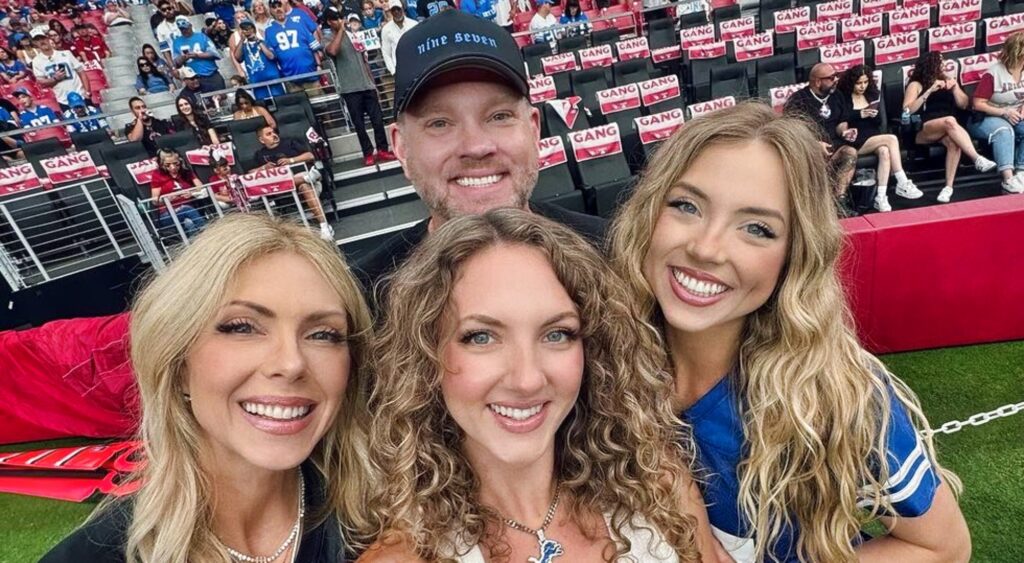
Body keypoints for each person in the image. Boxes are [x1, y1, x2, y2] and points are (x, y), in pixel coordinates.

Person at [610, 101, 971, 563]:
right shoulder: (597, 356)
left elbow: (944, 546)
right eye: (686, 205)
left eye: (757, 228)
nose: (705, 247)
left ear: (795, 257)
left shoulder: (836, 397)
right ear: (648, 212)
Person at [360, 209, 722, 562]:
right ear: (426, 356)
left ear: (592, 349)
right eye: (482, 337)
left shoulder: (657, 484)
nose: (527, 378)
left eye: (557, 334)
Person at [41, 213, 373, 563]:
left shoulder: (387, 518)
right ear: (179, 362)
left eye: (324, 334)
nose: (291, 364)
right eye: (242, 328)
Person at [355, 9, 605, 293]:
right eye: (439, 123)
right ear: (401, 147)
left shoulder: (614, 254)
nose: (476, 147)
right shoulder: (361, 303)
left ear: (534, 130)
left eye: (499, 116)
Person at [904, 52, 996, 203]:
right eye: (940, 62)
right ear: (931, 65)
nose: (943, 65)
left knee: (954, 143)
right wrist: (929, 91)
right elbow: (907, 110)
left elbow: (964, 104)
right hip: (923, 128)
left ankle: (948, 188)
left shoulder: (947, 80)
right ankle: (977, 158)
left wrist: (955, 88)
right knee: (950, 121)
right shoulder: (916, 84)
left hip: (948, 127)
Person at [835, 64, 922, 212]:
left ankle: (880, 197)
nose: (862, 86)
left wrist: (873, 115)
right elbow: (841, 119)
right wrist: (860, 114)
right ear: (852, 82)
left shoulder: (872, 94)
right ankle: (902, 180)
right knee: (892, 139)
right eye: (859, 83)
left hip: (873, 136)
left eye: (865, 82)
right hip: (856, 139)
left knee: (884, 151)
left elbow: (878, 123)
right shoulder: (843, 96)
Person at [324, 7, 397, 167]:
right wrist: (342, 30)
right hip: (349, 89)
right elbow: (333, 51)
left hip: (367, 85)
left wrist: (373, 84)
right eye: (335, 18)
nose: (339, 20)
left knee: (378, 120)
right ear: (329, 22)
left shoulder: (355, 34)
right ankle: (368, 153)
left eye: (340, 17)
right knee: (359, 125)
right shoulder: (327, 37)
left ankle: (383, 149)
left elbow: (364, 60)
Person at [783, 63, 860, 212]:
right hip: (808, 149)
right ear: (818, 81)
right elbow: (792, 132)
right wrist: (815, 143)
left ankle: (840, 200)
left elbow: (841, 123)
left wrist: (845, 132)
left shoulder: (836, 95)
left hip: (834, 146)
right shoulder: (798, 100)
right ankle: (820, 207)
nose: (836, 80)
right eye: (831, 78)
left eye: (836, 76)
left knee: (850, 153)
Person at [252, 124, 334, 240]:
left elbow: (310, 156)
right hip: (280, 189)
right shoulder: (260, 154)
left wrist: (291, 160)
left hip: (301, 180)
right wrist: (264, 168)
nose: (273, 135)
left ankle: (324, 226)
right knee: (303, 182)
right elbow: (250, 173)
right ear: (261, 139)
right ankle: (308, 177)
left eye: (273, 132)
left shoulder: (290, 143)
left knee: (305, 186)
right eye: (268, 134)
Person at [968, 31, 1024, 196]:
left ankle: (1021, 171)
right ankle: (1007, 179)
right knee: (1004, 131)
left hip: (1014, 113)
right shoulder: (993, 73)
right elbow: (977, 104)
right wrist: (1004, 112)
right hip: (986, 116)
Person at [265, 0, 323, 93]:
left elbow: (313, 46)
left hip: (310, 73)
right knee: (298, 107)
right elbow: (272, 56)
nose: (278, 9)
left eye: (279, 5)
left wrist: (319, 65)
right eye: (274, 7)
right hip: (291, 79)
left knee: (320, 105)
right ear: (270, 11)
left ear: (284, 6)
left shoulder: (298, 22)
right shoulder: (269, 30)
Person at [148, 148, 208, 235]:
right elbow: (154, 201)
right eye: (168, 165)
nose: (173, 167)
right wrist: (167, 199)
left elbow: (201, 187)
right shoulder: (157, 175)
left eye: (176, 164)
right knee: (186, 209)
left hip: (189, 208)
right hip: (167, 213)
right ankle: (207, 233)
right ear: (162, 164)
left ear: (180, 161)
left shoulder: (186, 171)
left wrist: (192, 193)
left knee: (189, 223)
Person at [30, 29, 91, 109]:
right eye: (38, 40)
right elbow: (41, 82)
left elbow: (81, 72)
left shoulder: (66, 54)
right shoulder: (36, 61)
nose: (41, 41)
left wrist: (87, 91)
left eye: (43, 38)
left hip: (80, 94)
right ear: (35, 43)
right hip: (63, 99)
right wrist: (54, 79)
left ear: (48, 38)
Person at [232, 18, 287, 100]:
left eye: (248, 28)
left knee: (280, 101)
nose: (246, 31)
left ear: (253, 29)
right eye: (244, 29)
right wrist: (241, 40)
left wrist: (257, 41)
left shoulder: (265, 41)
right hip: (256, 82)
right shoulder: (243, 46)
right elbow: (237, 58)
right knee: (264, 104)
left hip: (273, 80)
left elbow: (271, 56)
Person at [172, 15, 227, 94]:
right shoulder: (176, 42)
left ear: (190, 25)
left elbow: (214, 53)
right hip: (194, 79)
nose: (184, 30)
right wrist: (184, 58)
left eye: (186, 28)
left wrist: (197, 55)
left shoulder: (202, 36)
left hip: (211, 74)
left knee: (222, 97)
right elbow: (176, 62)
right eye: (182, 29)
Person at [380, 0, 417, 75]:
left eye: (398, 9)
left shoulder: (414, 24)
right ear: (390, 12)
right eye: (393, 10)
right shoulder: (386, 29)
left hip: (416, 64)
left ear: (402, 9)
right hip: (399, 68)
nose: (396, 12)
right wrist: (393, 71)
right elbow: (386, 53)